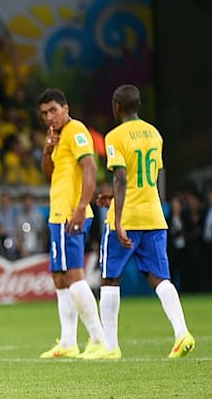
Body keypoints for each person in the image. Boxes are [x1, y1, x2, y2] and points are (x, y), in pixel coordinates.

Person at [97, 85, 194, 358]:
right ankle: (181, 333)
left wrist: (117, 219)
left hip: (127, 216)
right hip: (153, 214)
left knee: (109, 278)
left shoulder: (115, 136)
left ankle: (111, 347)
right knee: (159, 277)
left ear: (117, 106)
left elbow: (122, 177)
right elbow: (147, 177)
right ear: (138, 105)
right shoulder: (155, 134)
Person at [36, 88, 111, 359]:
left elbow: (90, 167)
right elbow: (51, 175)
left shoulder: (77, 129)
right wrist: (47, 152)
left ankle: (99, 339)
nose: (49, 117)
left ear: (66, 108)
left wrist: (82, 206)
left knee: (73, 275)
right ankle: (68, 341)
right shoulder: (57, 137)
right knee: (59, 277)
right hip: (57, 214)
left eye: (53, 110)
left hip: (71, 213)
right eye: (44, 113)